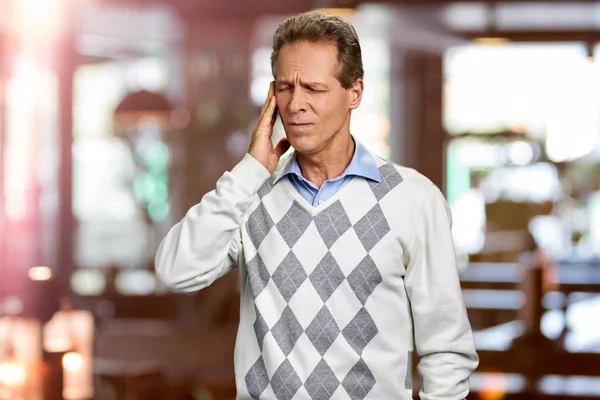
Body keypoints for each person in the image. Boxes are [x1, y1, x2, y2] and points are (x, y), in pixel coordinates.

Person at [155, 10, 478, 400]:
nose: (296, 104)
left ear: (354, 93)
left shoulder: (414, 200)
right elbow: (174, 271)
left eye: (314, 88)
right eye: (285, 88)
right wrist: (251, 170)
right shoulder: (251, 193)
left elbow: (447, 349)